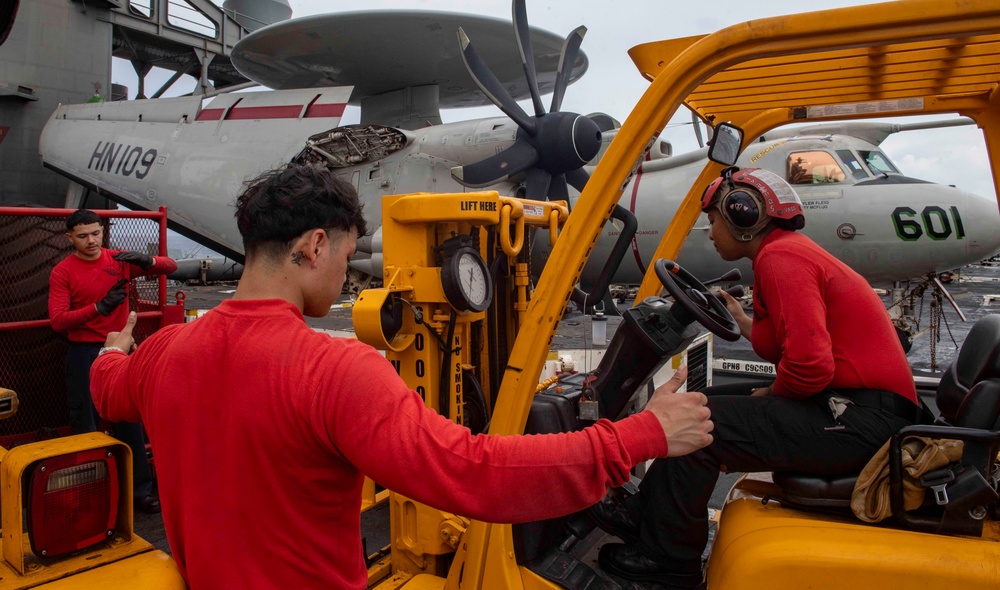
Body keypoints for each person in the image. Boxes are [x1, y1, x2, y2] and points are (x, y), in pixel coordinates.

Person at [89, 163, 716, 589]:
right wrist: (642, 435)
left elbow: (108, 388)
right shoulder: (332, 372)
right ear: (312, 247)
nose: (347, 276)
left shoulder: (164, 353)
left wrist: (112, 350)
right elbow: (474, 475)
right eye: (346, 254)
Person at [592, 167, 921, 588]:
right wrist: (741, 320)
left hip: (859, 419)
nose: (710, 233)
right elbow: (783, 344)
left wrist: (772, 392)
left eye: (712, 221)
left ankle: (667, 559)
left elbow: (809, 367)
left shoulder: (781, 259)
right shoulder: (788, 253)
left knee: (700, 427)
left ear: (742, 218)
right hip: (855, 408)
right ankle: (644, 518)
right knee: (701, 400)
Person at [48, 209, 178, 514]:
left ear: (102, 231)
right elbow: (57, 321)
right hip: (83, 353)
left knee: (128, 420)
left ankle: (139, 492)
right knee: (86, 425)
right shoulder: (63, 272)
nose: (91, 240)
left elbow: (169, 267)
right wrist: (99, 307)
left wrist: (148, 261)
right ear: (70, 238)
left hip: (119, 350)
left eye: (95, 233)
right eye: (82, 236)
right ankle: (90, 496)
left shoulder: (118, 260)